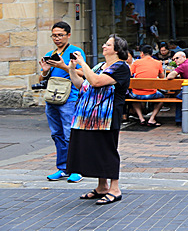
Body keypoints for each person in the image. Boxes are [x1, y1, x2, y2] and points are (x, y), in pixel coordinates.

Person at [67, 35, 131, 205]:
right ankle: (102, 187)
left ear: (117, 49)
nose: (103, 46)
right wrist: (72, 69)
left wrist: (82, 62)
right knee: (95, 151)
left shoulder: (121, 67)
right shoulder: (100, 66)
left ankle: (115, 189)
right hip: (89, 116)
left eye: (108, 44)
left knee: (107, 150)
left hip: (108, 116)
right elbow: (82, 85)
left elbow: (95, 82)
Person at [38, 21, 84, 183]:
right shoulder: (51, 53)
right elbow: (42, 78)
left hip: (69, 98)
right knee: (57, 134)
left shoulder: (75, 52)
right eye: (54, 35)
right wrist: (44, 71)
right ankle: (62, 168)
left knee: (69, 133)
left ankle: (76, 169)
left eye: (60, 35)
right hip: (52, 97)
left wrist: (63, 66)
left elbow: (82, 72)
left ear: (68, 35)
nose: (56, 38)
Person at [127, 45, 165, 127]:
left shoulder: (136, 63)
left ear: (142, 53)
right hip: (152, 93)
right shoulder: (158, 63)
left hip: (137, 94)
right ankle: (152, 118)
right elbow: (162, 78)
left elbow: (129, 74)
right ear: (151, 54)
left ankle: (141, 118)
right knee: (162, 99)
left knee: (132, 98)